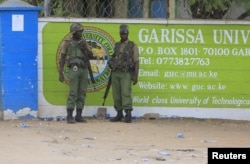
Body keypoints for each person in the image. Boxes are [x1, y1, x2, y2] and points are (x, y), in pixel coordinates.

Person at [58, 23, 94, 124]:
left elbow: (91, 56)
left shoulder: (84, 42)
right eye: (79, 31)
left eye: (81, 31)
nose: (81, 33)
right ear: (74, 32)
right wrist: (60, 72)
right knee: (73, 92)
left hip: (83, 69)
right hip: (73, 69)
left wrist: (85, 48)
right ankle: (69, 115)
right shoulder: (67, 43)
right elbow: (62, 58)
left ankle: (79, 115)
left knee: (82, 92)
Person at [108, 24, 139, 123]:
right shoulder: (117, 45)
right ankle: (119, 113)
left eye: (125, 33)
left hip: (126, 73)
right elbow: (114, 57)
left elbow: (136, 61)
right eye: (121, 33)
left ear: (128, 33)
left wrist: (135, 75)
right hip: (116, 72)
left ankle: (128, 114)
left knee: (125, 93)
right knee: (116, 94)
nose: (123, 35)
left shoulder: (132, 46)